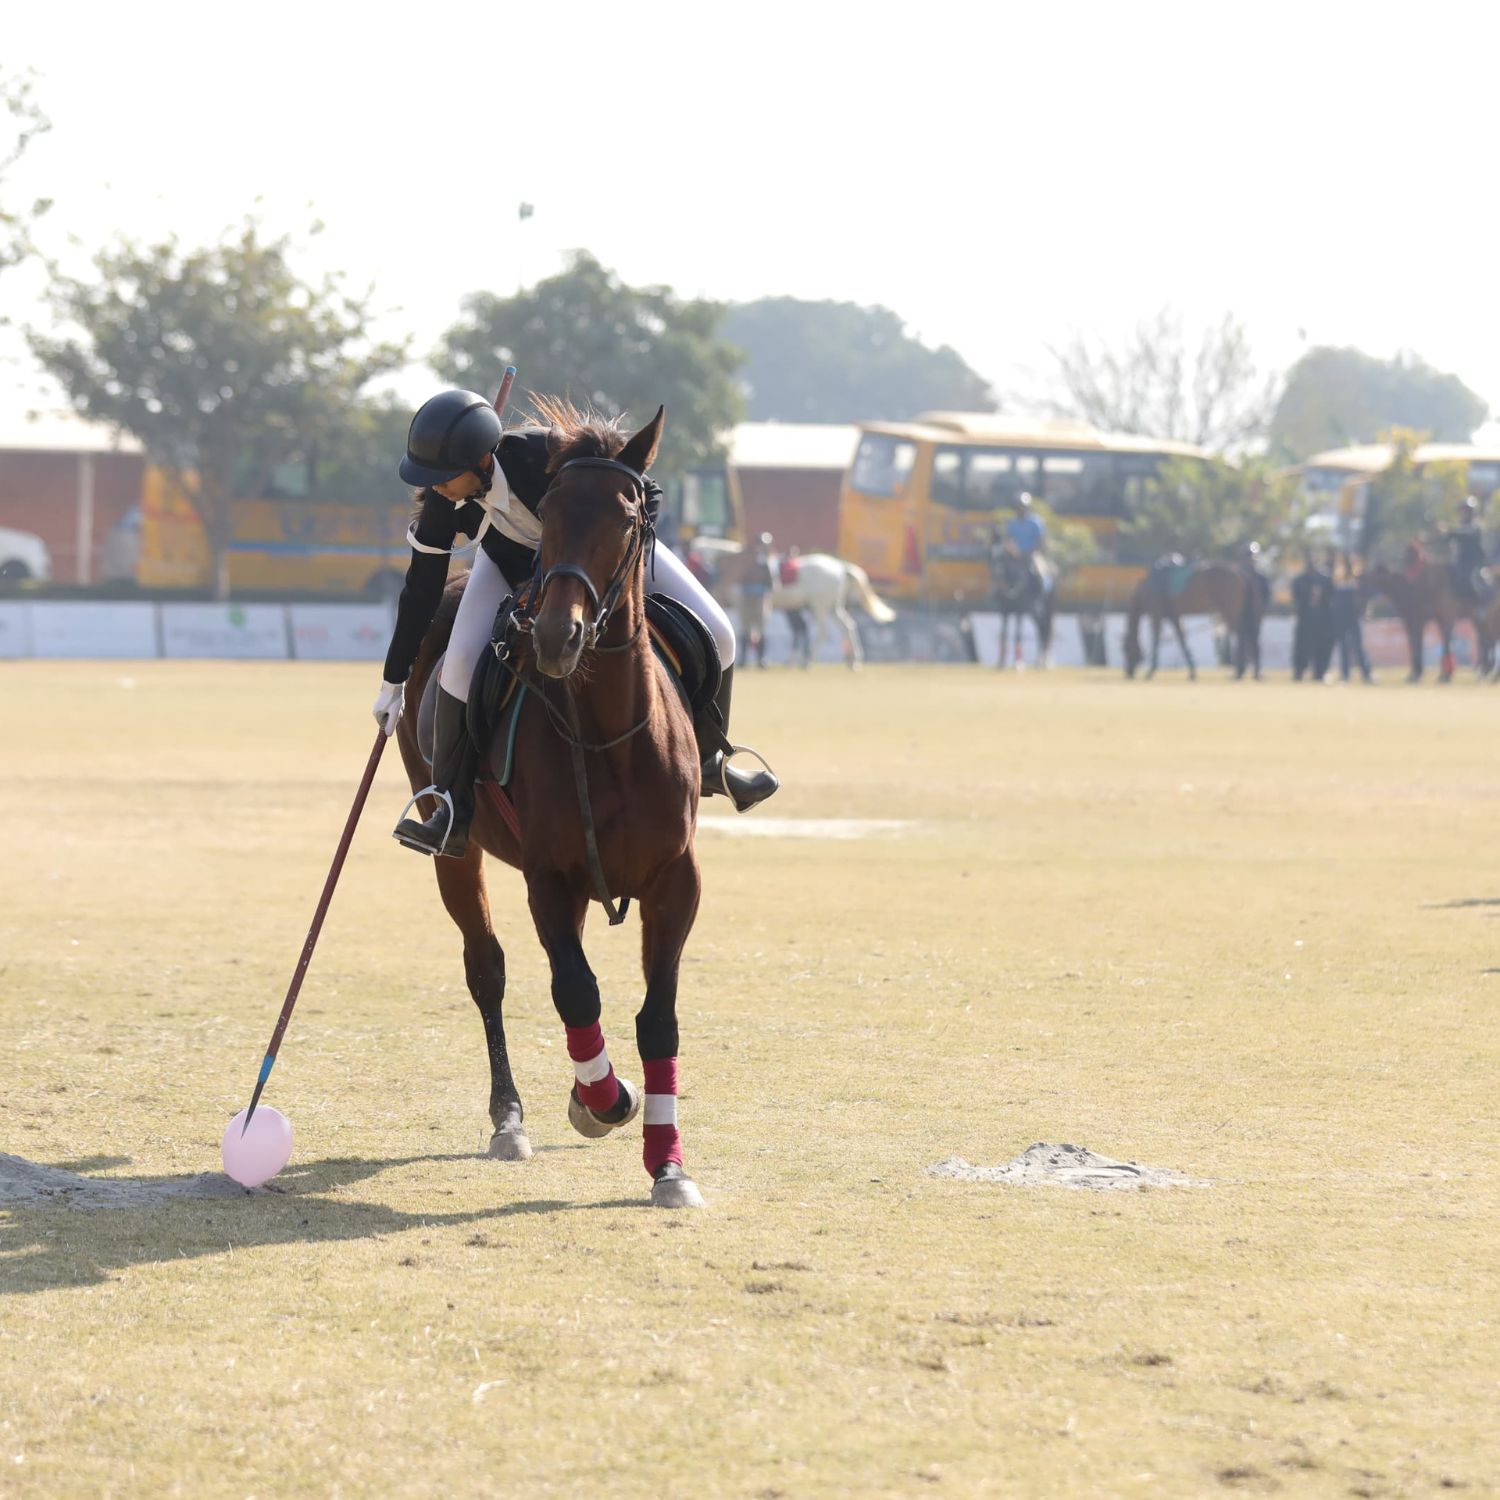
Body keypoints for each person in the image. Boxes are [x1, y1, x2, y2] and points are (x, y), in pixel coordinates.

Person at [373, 390, 778, 858]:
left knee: (720, 631)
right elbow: (421, 588)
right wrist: (395, 680)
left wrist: (623, 551)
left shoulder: (544, 454)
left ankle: (711, 757)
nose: (435, 487)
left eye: (443, 476)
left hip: (603, 557)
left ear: (483, 459)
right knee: (460, 663)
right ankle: (449, 804)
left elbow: (644, 487)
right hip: (509, 564)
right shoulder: (445, 500)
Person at [1290, 549, 1334, 681]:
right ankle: (1299, 672)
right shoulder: (1299, 580)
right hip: (1305, 619)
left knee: (1322, 648)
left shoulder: (1325, 579)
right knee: (1302, 647)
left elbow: (1331, 598)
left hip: (1322, 620)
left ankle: (1320, 673)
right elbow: (1296, 599)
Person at [1330, 552, 1373, 683]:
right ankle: (1345, 674)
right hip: (1341, 617)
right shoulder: (1337, 578)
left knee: (1358, 646)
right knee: (1343, 646)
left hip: (1354, 617)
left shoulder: (1358, 577)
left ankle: (1366, 673)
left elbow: (1363, 597)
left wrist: (1364, 610)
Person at [1440, 496, 1491, 606]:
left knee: (1473, 580)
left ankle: (1481, 607)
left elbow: (1464, 534)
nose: (1463, 514)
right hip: (1460, 562)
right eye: (1461, 511)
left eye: (1465, 511)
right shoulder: (1460, 527)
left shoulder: (1475, 527)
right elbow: (1448, 538)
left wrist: (1450, 531)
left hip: (1474, 563)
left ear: (1471, 513)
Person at [740, 531, 774, 669]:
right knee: (745, 628)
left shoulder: (768, 561)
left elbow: (771, 582)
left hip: (760, 597)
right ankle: (743, 659)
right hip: (747, 596)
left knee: (761, 628)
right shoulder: (748, 559)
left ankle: (761, 659)